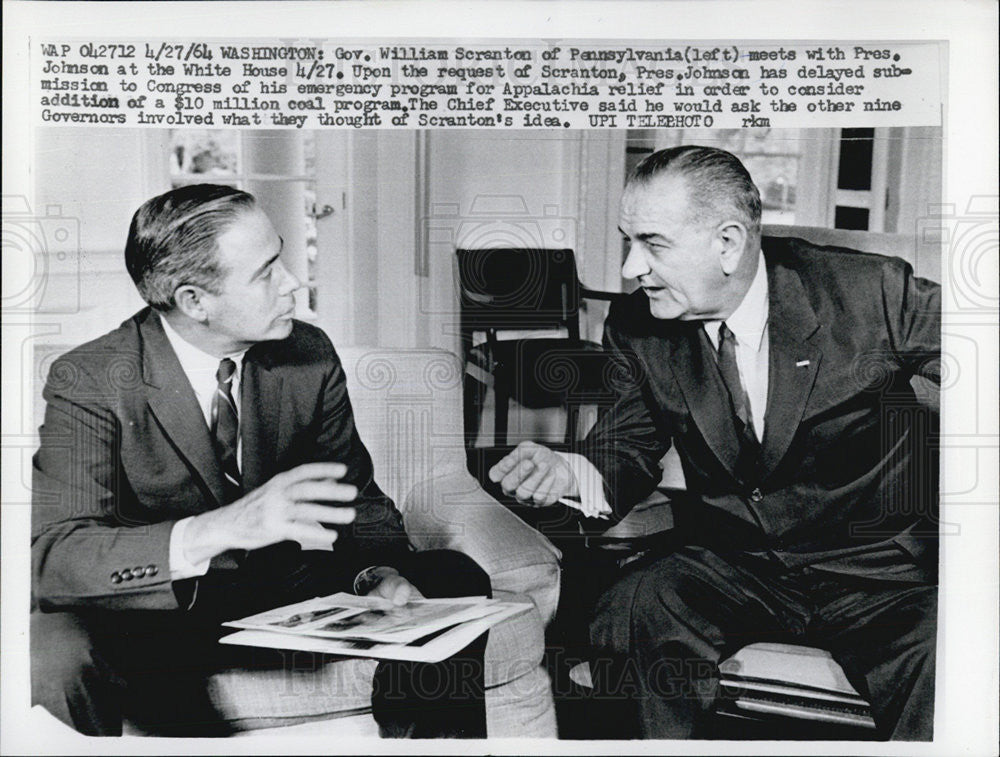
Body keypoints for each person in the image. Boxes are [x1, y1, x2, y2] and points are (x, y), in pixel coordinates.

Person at [489, 146, 939, 740]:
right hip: (738, 563)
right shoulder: (637, 325)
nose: (630, 268)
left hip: (876, 573)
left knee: (948, 655)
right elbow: (626, 446)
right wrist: (572, 470)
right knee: (634, 606)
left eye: (653, 244)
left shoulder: (870, 294)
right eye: (629, 242)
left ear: (728, 243)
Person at [32, 184, 490, 738]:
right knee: (54, 650)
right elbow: (54, 556)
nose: (293, 282)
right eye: (267, 270)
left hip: (281, 588)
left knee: (455, 575)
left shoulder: (307, 353)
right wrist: (221, 528)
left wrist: (379, 574)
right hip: (159, 610)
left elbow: (357, 500)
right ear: (195, 301)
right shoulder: (93, 379)